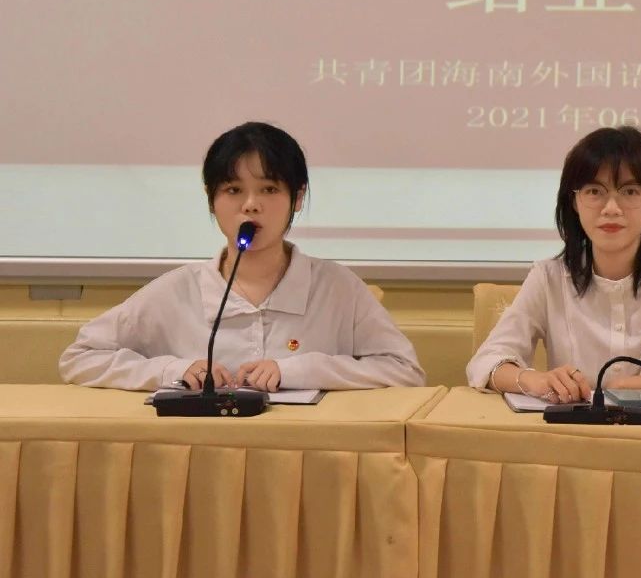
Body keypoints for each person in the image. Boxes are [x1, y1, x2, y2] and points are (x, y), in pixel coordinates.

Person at [60, 122, 425, 392]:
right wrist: (172, 370)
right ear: (211, 199)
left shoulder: (338, 287)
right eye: (234, 190)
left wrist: (301, 371)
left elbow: (405, 370)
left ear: (297, 198)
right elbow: (80, 357)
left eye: (269, 189)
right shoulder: (176, 290)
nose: (251, 205)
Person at [465, 126, 641, 402]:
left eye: (630, 191)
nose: (611, 208)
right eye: (594, 191)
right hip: (570, 431)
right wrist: (534, 380)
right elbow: (485, 362)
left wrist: (626, 386)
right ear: (574, 202)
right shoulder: (548, 276)